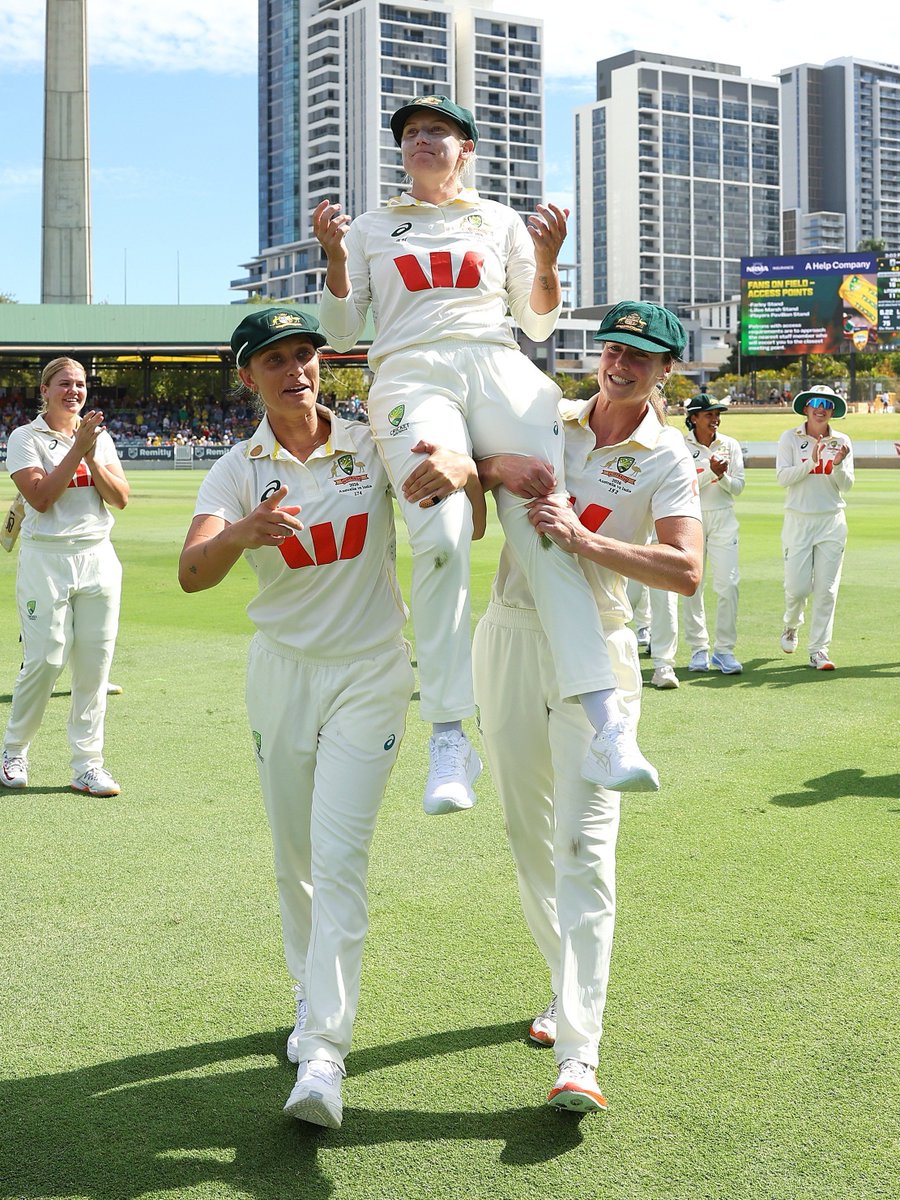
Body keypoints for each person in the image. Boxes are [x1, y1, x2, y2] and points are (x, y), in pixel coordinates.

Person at [178, 307, 482, 1130]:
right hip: (281, 675)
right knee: (295, 858)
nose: (296, 370)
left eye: (306, 354)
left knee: (341, 855)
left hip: (371, 674)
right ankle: (309, 990)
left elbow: (464, 516)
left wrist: (462, 466)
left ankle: (323, 1052)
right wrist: (243, 533)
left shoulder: (370, 442)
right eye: (275, 359)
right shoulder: (237, 469)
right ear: (248, 376)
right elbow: (192, 573)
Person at [314, 94, 658, 812]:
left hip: (499, 364)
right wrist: (335, 260)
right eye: (411, 133)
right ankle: (449, 737)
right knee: (440, 536)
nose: (421, 140)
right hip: (411, 372)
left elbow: (538, 321)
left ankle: (607, 723)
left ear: (465, 149)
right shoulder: (372, 226)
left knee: (549, 528)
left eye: (437, 131)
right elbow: (342, 331)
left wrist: (547, 259)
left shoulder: (499, 220)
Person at [473, 302, 703, 1111]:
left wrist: (586, 540)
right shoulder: (549, 419)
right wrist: (496, 468)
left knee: (586, 848)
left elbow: (686, 571)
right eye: (613, 349)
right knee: (528, 837)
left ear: (666, 370)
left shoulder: (667, 455)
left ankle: (580, 1054)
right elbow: (470, 473)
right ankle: (562, 984)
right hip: (507, 633)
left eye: (641, 356)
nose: (621, 364)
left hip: (600, 649)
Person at [1, 357, 128, 796]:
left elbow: (120, 497)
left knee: (95, 664)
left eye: (80, 384)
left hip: (98, 556)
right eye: (64, 383)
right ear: (45, 390)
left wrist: (91, 454)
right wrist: (79, 450)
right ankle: (13, 749)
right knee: (46, 659)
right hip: (47, 559)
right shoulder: (25, 437)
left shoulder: (98, 438)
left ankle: (87, 765)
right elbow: (40, 498)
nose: (74, 391)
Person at [775, 385, 853, 670]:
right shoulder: (790, 438)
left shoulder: (842, 440)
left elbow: (847, 485)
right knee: (797, 589)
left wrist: (838, 465)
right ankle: (791, 625)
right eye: (817, 402)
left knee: (827, 591)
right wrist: (812, 462)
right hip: (798, 520)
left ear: (833, 410)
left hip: (831, 521)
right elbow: (783, 478)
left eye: (828, 404)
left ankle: (819, 650)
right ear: (806, 407)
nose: (822, 408)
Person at [682, 394, 745, 674]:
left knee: (728, 585)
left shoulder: (730, 445)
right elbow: (682, 487)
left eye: (718, 414)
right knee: (693, 586)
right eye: (709, 414)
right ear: (694, 417)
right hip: (692, 518)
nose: (715, 419)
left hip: (724, 518)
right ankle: (698, 649)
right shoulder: (681, 446)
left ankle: (724, 651)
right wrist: (711, 472)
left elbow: (738, 488)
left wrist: (722, 476)